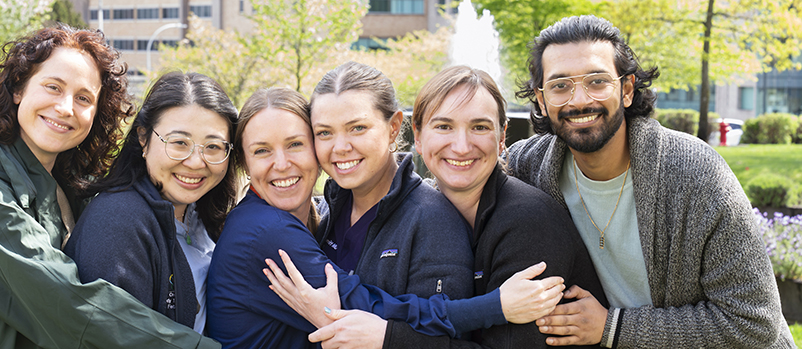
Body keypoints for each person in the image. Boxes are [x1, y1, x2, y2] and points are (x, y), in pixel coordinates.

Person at [0, 27, 219, 348]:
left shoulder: (67, 185)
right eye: (53, 87)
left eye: (83, 98)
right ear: (18, 88)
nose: (66, 108)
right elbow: (71, 307)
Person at [266, 66, 607, 349]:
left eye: (479, 127)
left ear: (503, 136)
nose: (461, 146)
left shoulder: (527, 223)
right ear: (417, 135)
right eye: (444, 126)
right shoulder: (335, 206)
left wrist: (385, 337)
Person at [508, 15, 794, 348]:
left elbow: (753, 320)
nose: (580, 100)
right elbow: (468, 177)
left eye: (597, 81)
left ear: (627, 90)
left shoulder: (696, 173)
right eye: (560, 86)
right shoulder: (528, 165)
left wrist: (612, 327)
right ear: (542, 100)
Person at [207, 88, 564, 348]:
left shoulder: (322, 212)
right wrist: (493, 306)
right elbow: (364, 307)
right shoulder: (267, 231)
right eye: (262, 151)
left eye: (296, 144)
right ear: (243, 162)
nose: (282, 164)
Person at [64, 72, 239, 335]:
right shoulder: (117, 222)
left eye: (213, 147)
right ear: (143, 139)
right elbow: (113, 337)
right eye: (179, 143)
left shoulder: (202, 215)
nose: (196, 162)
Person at [311, 61, 473, 301]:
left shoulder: (434, 223)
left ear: (394, 127)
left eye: (357, 128)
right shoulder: (325, 210)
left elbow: (441, 322)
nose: (340, 147)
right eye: (324, 132)